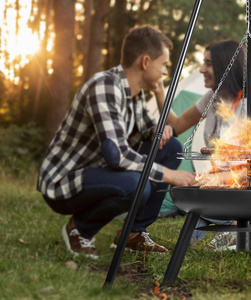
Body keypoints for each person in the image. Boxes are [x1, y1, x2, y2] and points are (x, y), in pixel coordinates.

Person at [37, 25, 196, 259]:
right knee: (136, 185)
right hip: (65, 180)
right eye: (163, 64)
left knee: (170, 147)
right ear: (145, 61)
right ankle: (79, 229)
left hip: (100, 171)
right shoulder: (104, 86)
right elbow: (116, 154)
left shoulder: (134, 92)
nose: (164, 72)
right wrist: (170, 175)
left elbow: (143, 130)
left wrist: (154, 132)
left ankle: (134, 232)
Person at [154, 39, 251, 250]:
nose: (201, 69)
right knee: (184, 245)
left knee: (215, 247)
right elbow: (178, 125)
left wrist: (212, 179)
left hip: (243, 193)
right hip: (217, 188)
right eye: (203, 63)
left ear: (224, 67)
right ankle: (224, 225)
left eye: (208, 63)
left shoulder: (248, 109)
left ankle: (238, 223)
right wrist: (158, 91)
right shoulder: (213, 98)